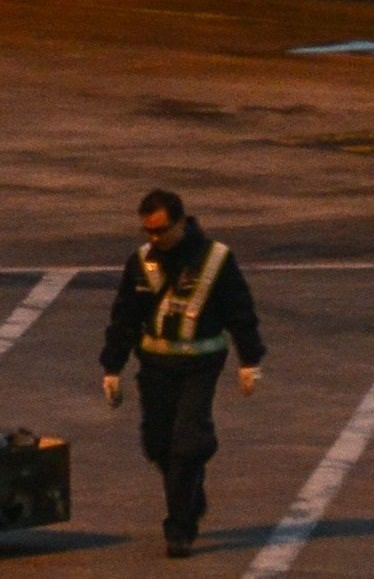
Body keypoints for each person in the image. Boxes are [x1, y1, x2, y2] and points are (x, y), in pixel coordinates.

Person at [98, 189, 265, 557]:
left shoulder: (216, 260)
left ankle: (180, 527)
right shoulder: (141, 263)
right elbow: (124, 316)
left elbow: (240, 309)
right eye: (148, 232)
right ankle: (191, 489)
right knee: (158, 444)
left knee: (187, 443)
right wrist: (112, 367)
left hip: (200, 365)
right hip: (155, 366)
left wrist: (250, 360)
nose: (154, 239)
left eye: (160, 231)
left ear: (180, 222)